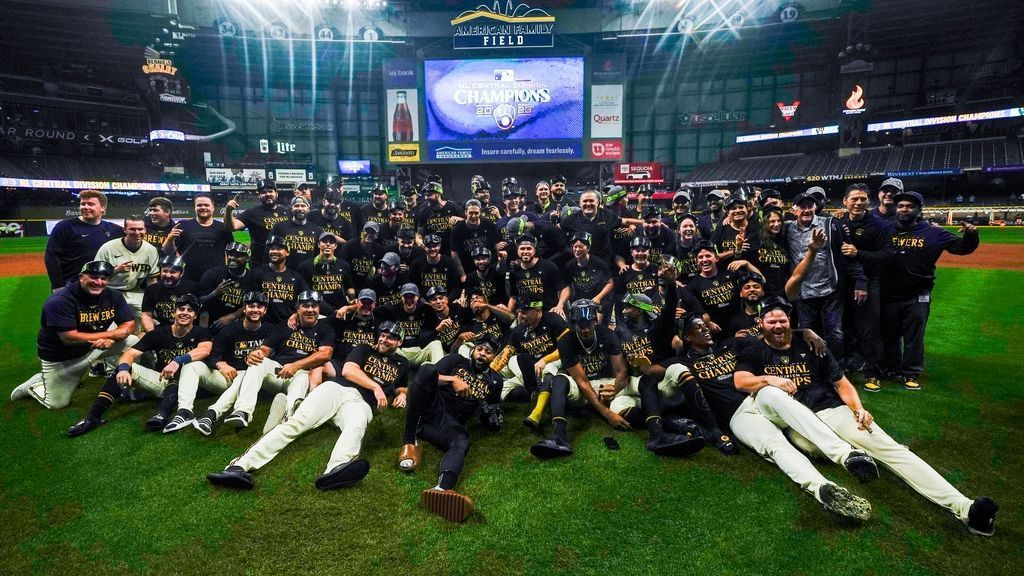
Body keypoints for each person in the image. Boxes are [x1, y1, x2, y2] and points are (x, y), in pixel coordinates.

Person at [734, 299, 998, 535]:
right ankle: (847, 455)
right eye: (772, 321)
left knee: (890, 448)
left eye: (783, 320)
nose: (778, 325)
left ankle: (965, 507)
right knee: (768, 392)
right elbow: (741, 380)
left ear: (790, 322)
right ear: (761, 323)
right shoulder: (752, 349)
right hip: (799, 425)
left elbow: (842, 383)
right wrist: (770, 378)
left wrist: (857, 408)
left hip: (830, 411)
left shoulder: (812, 344)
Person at [676, 308, 876, 521]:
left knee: (775, 394)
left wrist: (805, 331)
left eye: (705, 325)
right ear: (686, 337)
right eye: (698, 328)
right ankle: (822, 489)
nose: (705, 330)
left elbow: (774, 332)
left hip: (757, 396)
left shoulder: (731, 344)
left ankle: (847, 455)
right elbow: (651, 375)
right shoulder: (680, 363)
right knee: (775, 447)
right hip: (738, 415)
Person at [206, 321, 409, 491]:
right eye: (382, 335)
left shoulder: (402, 363)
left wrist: (402, 394)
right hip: (337, 389)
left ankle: (336, 471)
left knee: (356, 426)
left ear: (399, 342)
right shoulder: (363, 349)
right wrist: (376, 387)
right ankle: (239, 466)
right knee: (297, 423)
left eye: (390, 337)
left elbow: (401, 386)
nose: (383, 339)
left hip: (362, 403)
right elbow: (348, 370)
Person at [67, 294, 212, 436]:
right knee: (123, 368)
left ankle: (162, 414)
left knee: (182, 369)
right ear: (174, 312)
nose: (185, 313)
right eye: (181, 309)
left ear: (195, 315)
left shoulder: (202, 332)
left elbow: (204, 350)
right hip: (162, 381)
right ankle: (93, 417)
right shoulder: (159, 333)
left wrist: (177, 361)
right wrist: (123, 370)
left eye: (190, 310)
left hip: (190, 386)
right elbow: (129, 354)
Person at [398, 335, 504, 522]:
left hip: (450, 424)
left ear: (494, 357)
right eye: (480, 349)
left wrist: (491, 418)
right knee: (428, 369)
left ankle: (441, 489)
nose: (482, 354)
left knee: (462, 441)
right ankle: (409, 441)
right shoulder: (456, 360)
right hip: (430, 408)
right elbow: (427, 375)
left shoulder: (495, 381)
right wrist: (452, 379)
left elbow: (492, 410)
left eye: (488, 352)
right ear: (473, 350)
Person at [881, 191, 979, 390]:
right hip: (888, 294)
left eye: (909, 206)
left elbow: (961, 248)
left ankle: (910, 373)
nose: (904, 209)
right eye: (901, 206)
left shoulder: (933, 232)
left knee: (913, 336)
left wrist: (971, 235)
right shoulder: (886, 229)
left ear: (918, 210)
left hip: (918, 295)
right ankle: (891, 368)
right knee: (889, 335)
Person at [11, 261, 138, 409]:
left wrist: (110, 339)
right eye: (93, 277)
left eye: (103, 278)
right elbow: (69, 338)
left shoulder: (113, 295)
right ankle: (36, 385)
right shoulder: (60, 300)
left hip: (93, 348)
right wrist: (110, 335)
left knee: (133, 341)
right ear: (81, 277)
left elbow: (128, 324)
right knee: (56, 404)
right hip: (61, 358)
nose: (98, 282)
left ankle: (127, 387)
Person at [529, 300, 636, 459]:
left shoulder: (608, 335)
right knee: (558, 380)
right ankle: (560, 437)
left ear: (595, 321)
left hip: (606, 382)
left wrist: (615, 389)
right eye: (580, 325)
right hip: (583, 388)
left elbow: (621, 371)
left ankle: (668, 422)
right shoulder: (566, 341)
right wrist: (606, 413)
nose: (585, 329)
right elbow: (583, 382)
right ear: (573, 323)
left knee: (632, 405)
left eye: (589, 324)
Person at [217, 290, 334, 429]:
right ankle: (242, 411)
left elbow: (325, 354)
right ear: (297, 308)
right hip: (277, 370)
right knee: (259, 362)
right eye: (305, 306)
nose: (310, 310)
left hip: (301, 373)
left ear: (318, 309)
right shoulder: (285, 325)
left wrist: (296, 365)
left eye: (314, 306)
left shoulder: (325, 329)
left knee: (302, 380)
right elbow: (266, 350)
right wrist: (256, 354)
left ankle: (285, 418)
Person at [784, 190, 867, 362]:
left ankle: (836, 369)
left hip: (830, 290)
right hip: (803, 292)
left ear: (815, 207)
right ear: (794, 210)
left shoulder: (830, 224)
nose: (806, 210)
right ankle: (812, 367)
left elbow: (848, 253)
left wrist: (861, 280)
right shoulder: (787, 228)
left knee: (834, 332)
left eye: (810, 206)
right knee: (807, 333)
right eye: (802, 206)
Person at [177, 291, 276, 435]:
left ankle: (210, 415)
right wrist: (221, 364)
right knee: (192, 365)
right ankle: (183, 411)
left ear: (265, 310)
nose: (255, 310)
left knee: (246, 374)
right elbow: (211, 356)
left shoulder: (270, 330)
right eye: (251, 306)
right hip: (227, 376)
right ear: (244, 309)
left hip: (253, 377)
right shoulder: (229, 330)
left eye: (260, 307)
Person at [837, 184, 893, 392]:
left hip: (869, 284)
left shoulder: (879, 226)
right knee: (846, 327)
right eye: (855, 199)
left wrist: (858, 253)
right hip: (843, 284)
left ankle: (872, 373)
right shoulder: (839, 223)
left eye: (863, 199)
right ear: (845, 202)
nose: (859, 202)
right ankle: (851, 366)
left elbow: (888, 255)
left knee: (869, 329)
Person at [44, 189, 124, 292]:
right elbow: (52, 256)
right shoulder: (65, 226)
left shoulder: (114, 230)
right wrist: (57, 285)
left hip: (102, 284)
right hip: (73, 285)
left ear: (103, 207)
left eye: (90, 204)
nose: (85, 207)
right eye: (83, 204)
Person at [94, 215, 160, 326]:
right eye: (132, 229)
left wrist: (153, 302)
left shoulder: (151, 250)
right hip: (109, 292)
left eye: (140, 229)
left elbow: (152, 280)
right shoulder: (108, 248)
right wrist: (115, 270)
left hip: (136, 292)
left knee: (154, 322)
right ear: (124, 230)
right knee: (110, 327)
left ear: (145, 230)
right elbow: (95, 276)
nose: (137, 232)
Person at [168, 193, 234, 283]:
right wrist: (170, 239)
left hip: (216, 278)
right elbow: (169, 251)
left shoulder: (223, 227)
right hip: (188, 278)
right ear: (195, 208)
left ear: (213, 208)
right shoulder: (182, 225)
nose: (203, 207)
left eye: (206, 205)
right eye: (199, 205)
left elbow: (230, 253)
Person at [223, 178, 290, 267]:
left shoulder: (286, 212)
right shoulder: (252, 213)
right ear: (259, 195)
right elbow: (231, 227)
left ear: (276, 193)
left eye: (270, 191)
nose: (268, 194)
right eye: (263, 192)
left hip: (284, 262)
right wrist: (228, 211)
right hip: (260, 262)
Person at [197, 242, 251, 331]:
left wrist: (232, 316)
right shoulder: (212, 274)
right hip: (212, 323)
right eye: (230, 254)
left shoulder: (252, 278)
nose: (232, 257)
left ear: (248, 259)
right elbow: (201, 303)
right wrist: (215, 293)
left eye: (238, 255)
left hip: (238, 326)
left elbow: (252, 304)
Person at [297, 232, 356, 310]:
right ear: (318, 244)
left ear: (335, 246)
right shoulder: (305, 266)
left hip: (340, 310)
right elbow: (301, 291)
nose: (328, 244)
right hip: (316, 311)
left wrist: (352, 299)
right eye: (324, 241)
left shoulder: (344, 265)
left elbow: (349, 285)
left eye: (331, 242)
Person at [141, 256, 198, 332]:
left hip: (186, 330)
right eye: (165, 271)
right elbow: (146, 315)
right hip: (162, 329)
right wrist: (151, 334)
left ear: (181, 273)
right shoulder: (152, 289)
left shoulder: (192, 288)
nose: (168, 275)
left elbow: (201, 313)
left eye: (173, 272)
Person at [270, 196, 324, 270]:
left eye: (303, 206)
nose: (300, 208)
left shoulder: (318, 230)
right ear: (291, 209)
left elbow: (320, 255)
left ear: (308, 209)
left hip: (308, 273)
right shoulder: (280, 227)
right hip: (286, 273)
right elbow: (269, 250)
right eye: (296, 206)